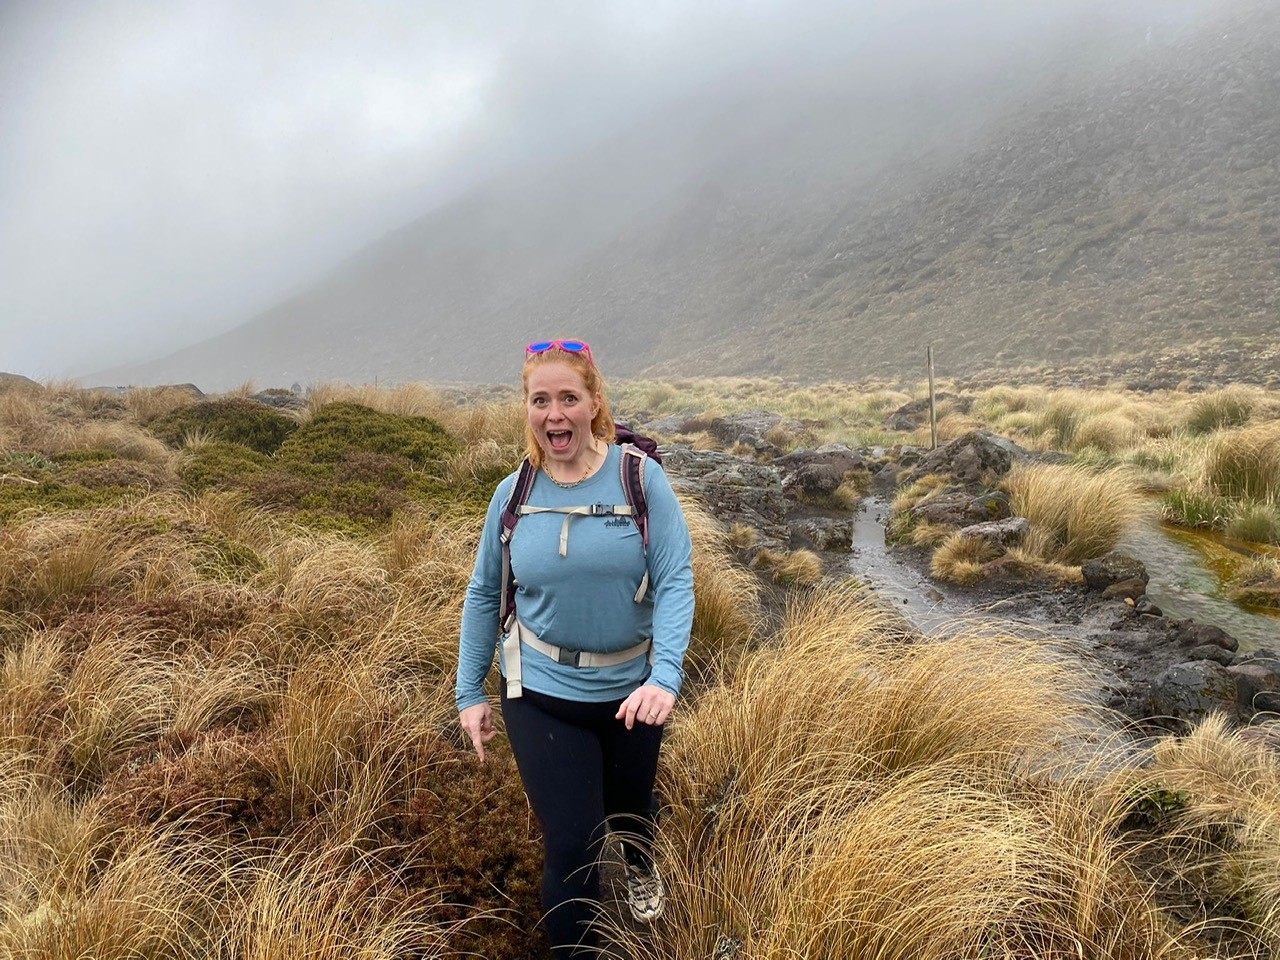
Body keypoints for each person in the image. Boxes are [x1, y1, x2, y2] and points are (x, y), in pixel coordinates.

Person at [456, 338, 695, 958]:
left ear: (594, 403)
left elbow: (675, 579)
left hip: (630, 694)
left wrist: (664, 676)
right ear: (528, 409)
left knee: (630, 811)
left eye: (568, 398)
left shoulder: (641, 481)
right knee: (571, 845)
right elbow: (486, 592)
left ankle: (640, 864)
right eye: (541, 400)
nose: (554, 413)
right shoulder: (512, 494)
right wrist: (468, 691)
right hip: (538, 693)